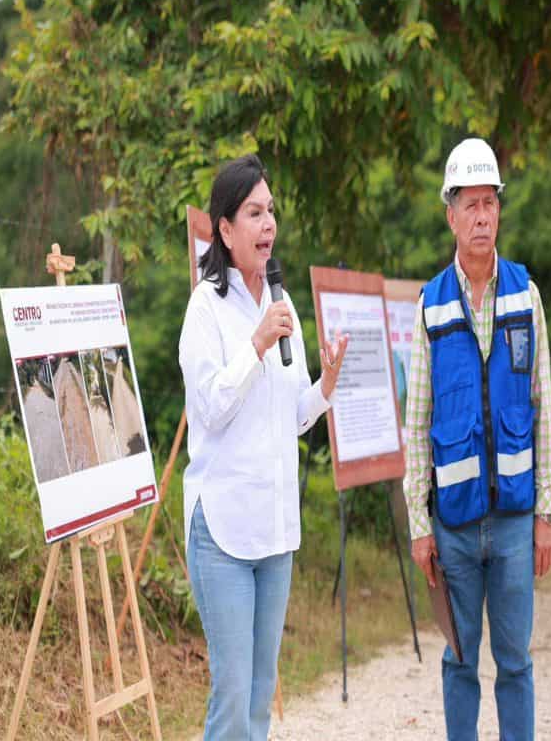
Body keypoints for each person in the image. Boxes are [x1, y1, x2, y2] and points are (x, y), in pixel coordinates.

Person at [179, 154, 348, 740]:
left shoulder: (282, 303)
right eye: (254, 213)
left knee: (259, 694)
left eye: (271, 211)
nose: (269, 224)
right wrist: (253, 346)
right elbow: (210, 409)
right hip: (223, 529)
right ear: (225, 230)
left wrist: (325, 385)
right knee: (231, 695)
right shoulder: (205, 309)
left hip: (275, 531)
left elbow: (292, 417)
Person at [403, 137, 551, 741]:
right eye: (469, 204)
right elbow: (416, 423)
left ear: (499, 210)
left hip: (517, 520)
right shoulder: (430, 305)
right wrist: (419, 525)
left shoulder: (526, 294)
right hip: (454, 523)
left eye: (489, 203)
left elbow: (543, 408)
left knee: (515, 663)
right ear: (450, 214)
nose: (480, 216)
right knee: (460, 661)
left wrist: (547, 512)